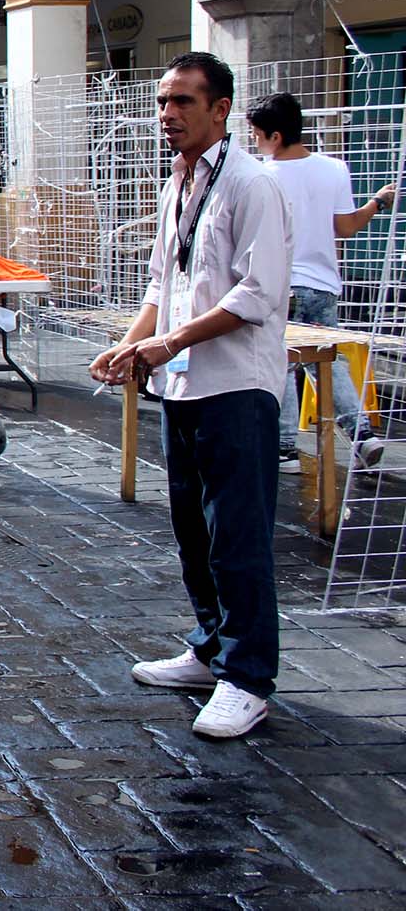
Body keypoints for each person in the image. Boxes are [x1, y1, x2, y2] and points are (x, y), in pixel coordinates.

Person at [91, 54, 291, 741]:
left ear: (221, 108)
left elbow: (255, 293)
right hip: (183, 386)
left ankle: (248, 676)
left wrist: (169, 344)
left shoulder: (250, 184)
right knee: (194, 531)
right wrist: (133, 342)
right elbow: (162, 285)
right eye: (161, 102)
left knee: (238, 534)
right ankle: (211, 649)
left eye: (182, 101)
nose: (167, 114)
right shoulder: (180, 181)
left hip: (234, 384)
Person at [247, 92, 393, 468]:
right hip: (323, 285)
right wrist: (376, 202)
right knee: (328, 360)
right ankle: (362, 433)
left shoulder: (259, 175)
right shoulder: (334, 168)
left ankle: (285, 448)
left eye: (256, 133)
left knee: (281, 360)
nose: (254, 141)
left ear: (274, 137)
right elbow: (345, 227)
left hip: (279, 284)